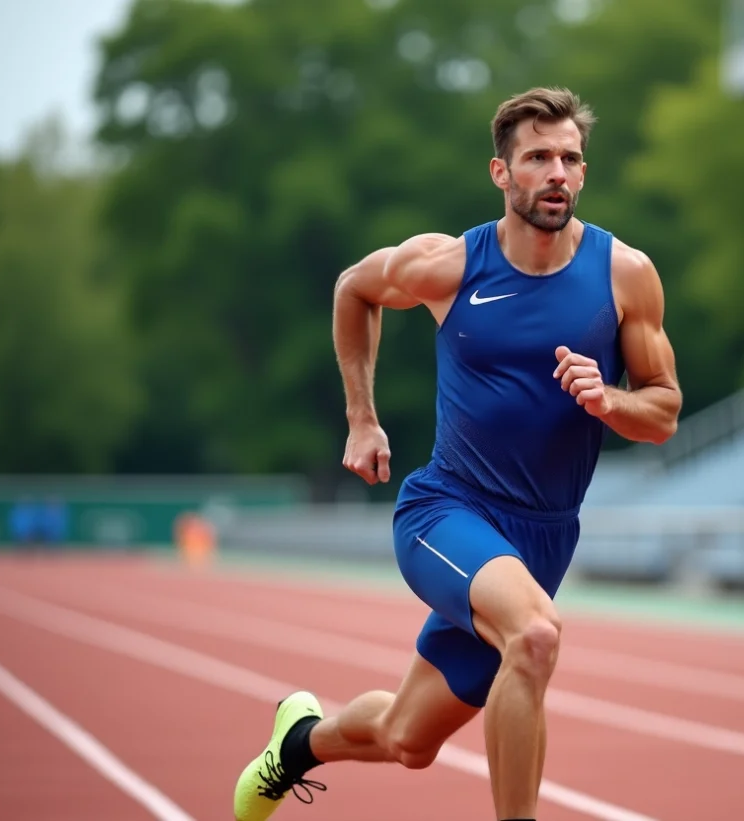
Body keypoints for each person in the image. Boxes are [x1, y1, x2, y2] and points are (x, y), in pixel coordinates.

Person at [233, 86, 682, 821]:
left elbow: (661, 411)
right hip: (446, 511)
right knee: (534, 637)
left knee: (408, 737)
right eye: (538, 157)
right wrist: (361, 417)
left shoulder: (623, 273)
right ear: (502, 174)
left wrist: (610, 401)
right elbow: (354, 289)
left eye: (570, 157)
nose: (557, 172)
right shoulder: (450, 265)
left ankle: (298, 743)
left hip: (544, 535)